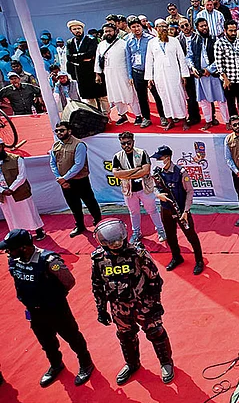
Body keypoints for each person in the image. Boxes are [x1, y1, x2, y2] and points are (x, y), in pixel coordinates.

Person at [4, 229, 94, 387]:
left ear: (24, 247)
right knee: (46, 341)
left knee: (72, 337)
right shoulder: (13, 260)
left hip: (55, 309)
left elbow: (69, 281)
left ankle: (86, 364)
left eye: (10, 248)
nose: (7, 251)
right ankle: (56, 365)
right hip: (34, 311)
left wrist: (54, 297)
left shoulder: (48, 260)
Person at [91, 219, 175, 385]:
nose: (116, 245)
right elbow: (97, 285)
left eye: (118, 241)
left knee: (155, 332)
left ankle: (166, 362)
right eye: (111, 243)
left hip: (143, 304)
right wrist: (101, 309)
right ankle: (132, 364)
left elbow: (154, 279)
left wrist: (154, 303)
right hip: (119, 307)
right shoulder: (99, 258)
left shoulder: (137, 253)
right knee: (125, 336)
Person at [150, 146, 205, 274]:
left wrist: (186, 211)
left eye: (160, 158)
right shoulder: (157, 172)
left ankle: (199, 260)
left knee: (191, 236)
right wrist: (158, 195)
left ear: (167, 158)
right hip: (166, 210)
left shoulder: (181, 172)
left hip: (181, 210)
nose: (158, 160)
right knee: (170, 235)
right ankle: (176, 257)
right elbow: (154, 187)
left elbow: (190, 192)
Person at [49, 122, 102, 237]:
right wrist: (59, 178)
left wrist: (64, 178)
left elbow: (78, 165)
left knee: (90, 202)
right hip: (64, 182)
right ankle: (80, 226)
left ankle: (99, 222)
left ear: (69, 131)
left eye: (62, 130)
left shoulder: (79, 145)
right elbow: (53, 163)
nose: (59, 133)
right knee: (73, 205)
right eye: (57, 131)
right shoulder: (56, 146)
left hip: (80, 180)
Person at [112, 132, 166, 243]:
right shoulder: (117, 156)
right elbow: (116, 174)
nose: (126, 145)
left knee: (152, 210)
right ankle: (136, 233)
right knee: (133, 212)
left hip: (144, 188)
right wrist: (136, 170)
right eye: (123, 143)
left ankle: (161, 231)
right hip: (129, 190)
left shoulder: (142, 153)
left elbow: (145, 170)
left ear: (133, 142)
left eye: (128, 143)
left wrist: (125, 174)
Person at [145, 19, 191, 131]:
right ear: (156, 29)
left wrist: (184, 75)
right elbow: (149, 61)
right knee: (164, 98)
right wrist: (149, 78)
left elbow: (181, 58)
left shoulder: (174, 41)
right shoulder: (152, 43)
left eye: (165, 26)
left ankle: (183, 120)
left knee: (179, 96)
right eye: (160, 26)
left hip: (174, 74)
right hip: (159, 76)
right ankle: (170, 120)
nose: (163, 28)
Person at [187, 18, 229, 130]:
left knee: (221, 99)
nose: (204, 28)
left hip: (213, 75)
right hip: (200, 77)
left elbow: (221, 57)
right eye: (201, 26)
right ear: (197, 28)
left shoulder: (215, 39)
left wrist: (209, 69)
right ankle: (208, 120)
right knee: (204, 101)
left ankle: (227, 121)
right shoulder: (193, 40)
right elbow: (189, 56)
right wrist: (193, 68)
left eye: (205, 25)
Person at [95, 23, 141, 125]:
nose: (108, 33)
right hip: (109, 74)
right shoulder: (101, 45)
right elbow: (98, 60)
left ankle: (138, 115)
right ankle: (123, 115)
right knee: (115, 96)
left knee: (130, 95)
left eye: (110, 31)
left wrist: (130, 75)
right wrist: (98, 74)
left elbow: (130, 60)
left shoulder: (124, 44)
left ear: (115, 31)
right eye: (106, 31)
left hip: (123, 73)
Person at [0, 142, 45, 239]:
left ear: (2, 146)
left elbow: (22, 176)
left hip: (19, 191)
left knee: (28, 211)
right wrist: (2, 191)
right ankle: (17, 236)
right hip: (3, 194)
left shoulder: (16, 159)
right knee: (11, 215)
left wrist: (11, 189)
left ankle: (39, 230)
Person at [127, 16, 164, 128]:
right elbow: (128, 59)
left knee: (157, 95)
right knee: (141, 97)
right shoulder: (128, 41)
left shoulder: (150, 39)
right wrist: (130, 75)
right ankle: (146, 118)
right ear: (130, 28)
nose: (136, 29)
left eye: (138, 26)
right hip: (136, 72)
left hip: (151, 73)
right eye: (133, 27)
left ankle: (163, 116)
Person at [66, 19, 108, 115]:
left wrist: (76, 57)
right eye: (74, 29)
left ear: (82, 29)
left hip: (93, 71)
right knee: (89, 98)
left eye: (79, 28)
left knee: (102, 96)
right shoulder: (69, 42)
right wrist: (82, 57)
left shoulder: (91, 40)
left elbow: (91, 54)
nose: (77, 31)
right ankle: (95, 115)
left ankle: (106, 114)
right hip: (80, 74)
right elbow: (69, 57)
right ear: (71, 31)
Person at [215, 20, 239, 128]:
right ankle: (235, 124)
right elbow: (219, 64)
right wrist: (225, 79)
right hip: (229, 80)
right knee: (231, 104)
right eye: (230, 31)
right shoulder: (219, 43)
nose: (233, 33)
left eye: (235, 30)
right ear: (225, 30)